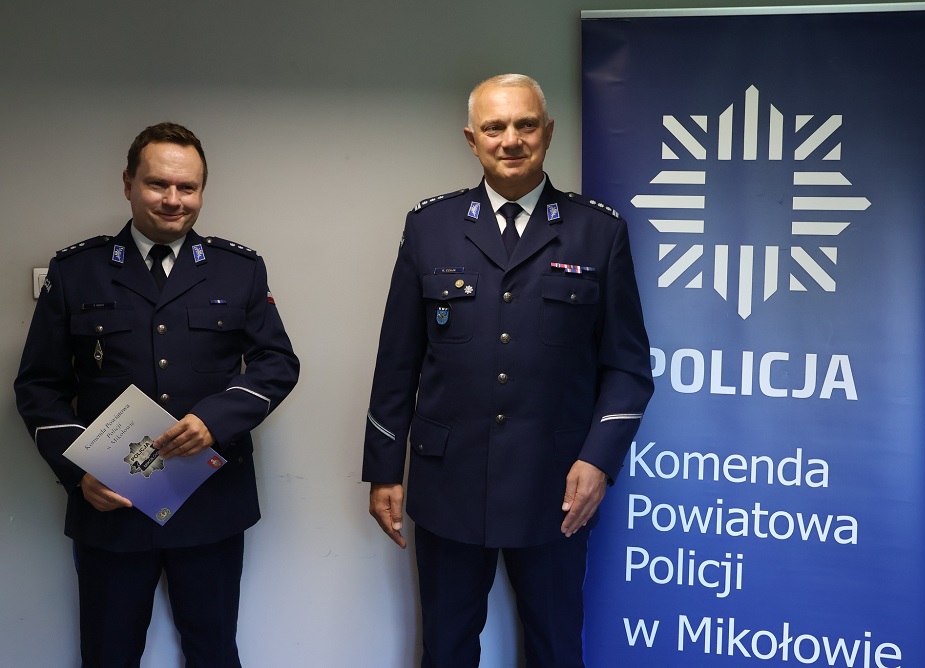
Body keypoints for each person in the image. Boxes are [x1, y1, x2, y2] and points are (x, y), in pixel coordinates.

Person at [363, 74, 654, 667]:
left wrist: (598, 460)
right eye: (494, 127)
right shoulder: (430, 227)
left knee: (555, 647)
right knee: (446, 649)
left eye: (525, 125)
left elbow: (627, 368)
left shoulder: (599, 231)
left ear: (548, 132)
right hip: (449, 482)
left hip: (556, 486)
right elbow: (398, 358)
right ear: (472, 140)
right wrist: (384, 467)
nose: (511, 139)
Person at [14, 122, 299, 668]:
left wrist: (216, 419)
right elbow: (39, 384)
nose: (173, 200)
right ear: (128, 183)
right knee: (108, 654)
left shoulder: (238, 269)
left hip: (210, 499)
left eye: (187, 187)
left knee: (214, 653)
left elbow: (277, 363)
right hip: (112, 504)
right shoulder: (77, 271)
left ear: (202, 191)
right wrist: (79, 472)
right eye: (158, 184)